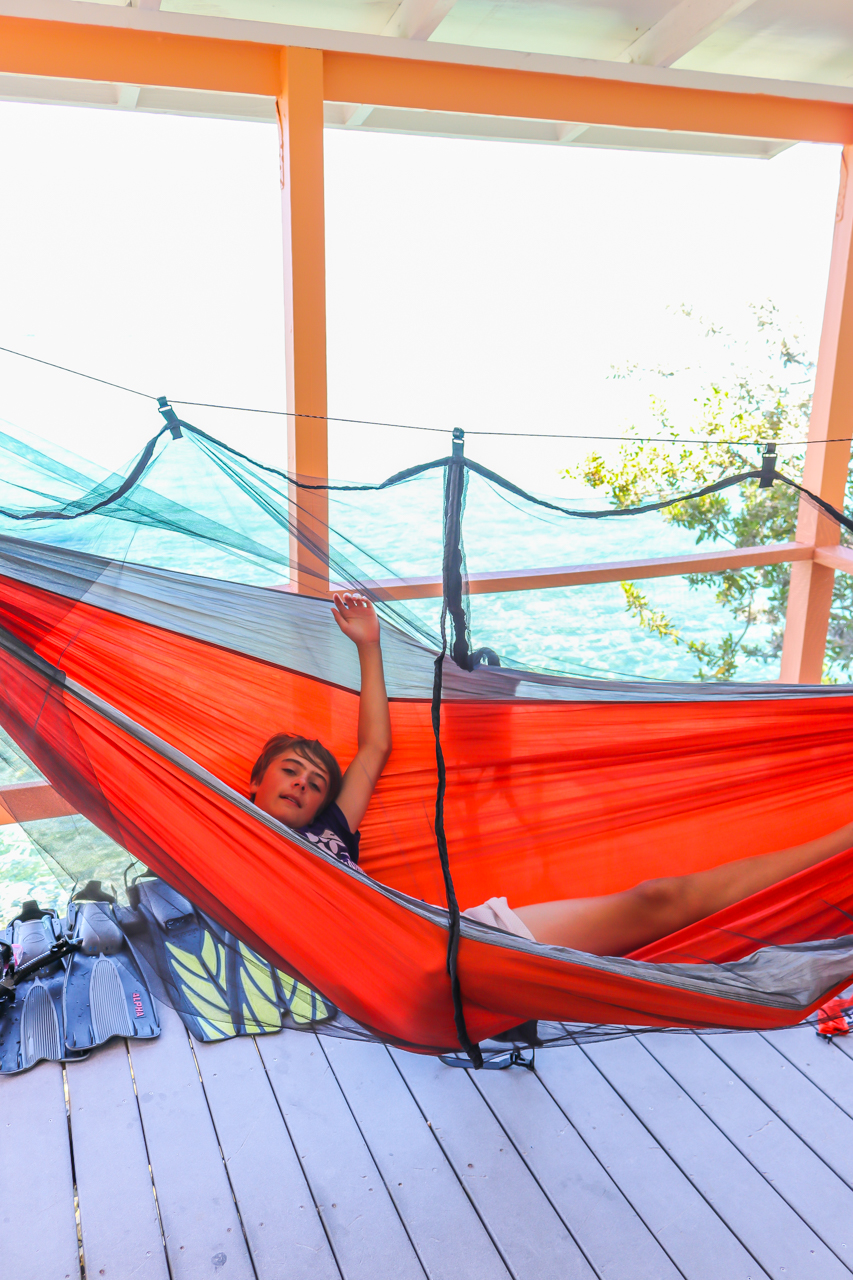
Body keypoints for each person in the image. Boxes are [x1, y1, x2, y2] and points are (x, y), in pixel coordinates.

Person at [250, 593, 853, 957]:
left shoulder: (332, 829)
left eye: (315, 783)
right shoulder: (228, 828)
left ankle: (838, 850)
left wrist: (369, 646)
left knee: (659, 899)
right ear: (255, 783)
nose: (302, 783)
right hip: (404, 965)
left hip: (441, 939)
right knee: (658, 906)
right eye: (291, 771)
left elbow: (374, 747)